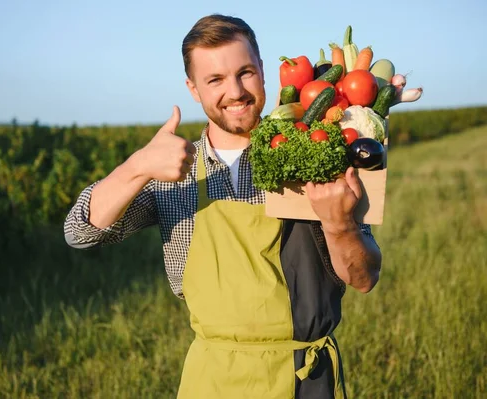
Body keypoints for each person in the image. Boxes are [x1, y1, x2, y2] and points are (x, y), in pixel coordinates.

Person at [64, 13, 382, 399]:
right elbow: (80, 232)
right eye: (214, 80)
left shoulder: (315, 152)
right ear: (193, 88)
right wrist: (138, 166)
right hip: (211, 382)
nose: (235, 92)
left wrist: (340, 226)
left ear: (263, 71)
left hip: (304, 381)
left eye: (245, 72)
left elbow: (364, 279)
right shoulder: (172, 176)